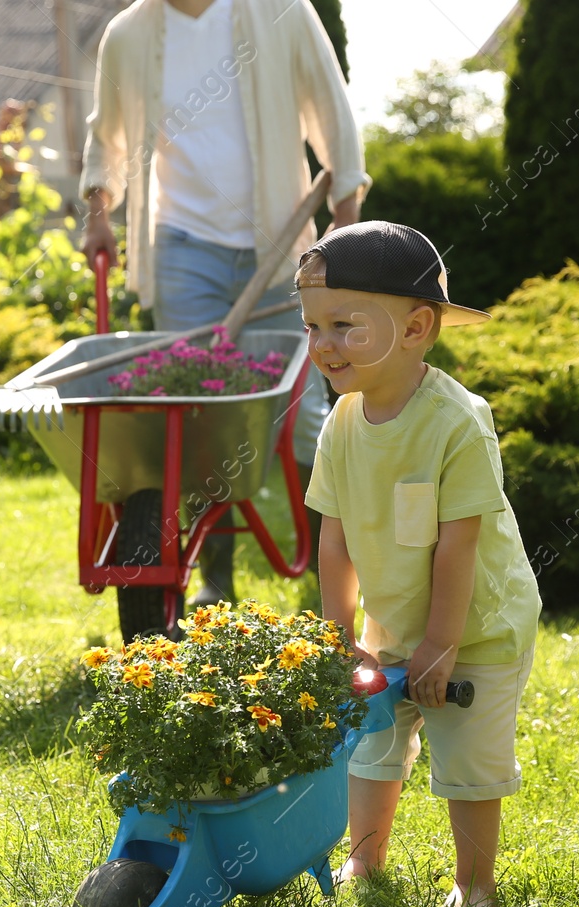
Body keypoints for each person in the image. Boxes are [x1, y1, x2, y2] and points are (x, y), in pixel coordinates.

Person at [79, 0, 369, 605]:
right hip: (184, 250)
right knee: (199, 420)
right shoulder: (129, 35)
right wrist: (98, 214)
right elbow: (105, 133)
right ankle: (215, 580)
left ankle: (334, 584)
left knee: (307, 415)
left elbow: (331, 108)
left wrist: (345, 225)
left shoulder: (281, 12)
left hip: (279, 242)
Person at [299, 221, 542, 907]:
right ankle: (363, 858)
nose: (323, 344)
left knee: (466, 758)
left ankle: (475, 884)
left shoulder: (457, 421)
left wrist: (442, 645)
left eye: (344, 324)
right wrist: (337, 631)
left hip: (477, 625)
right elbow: (336, 542)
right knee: (372, 742)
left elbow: (456, 545)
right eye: (313, 327)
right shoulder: (342, 424)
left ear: (415, 329)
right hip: (394, 620)